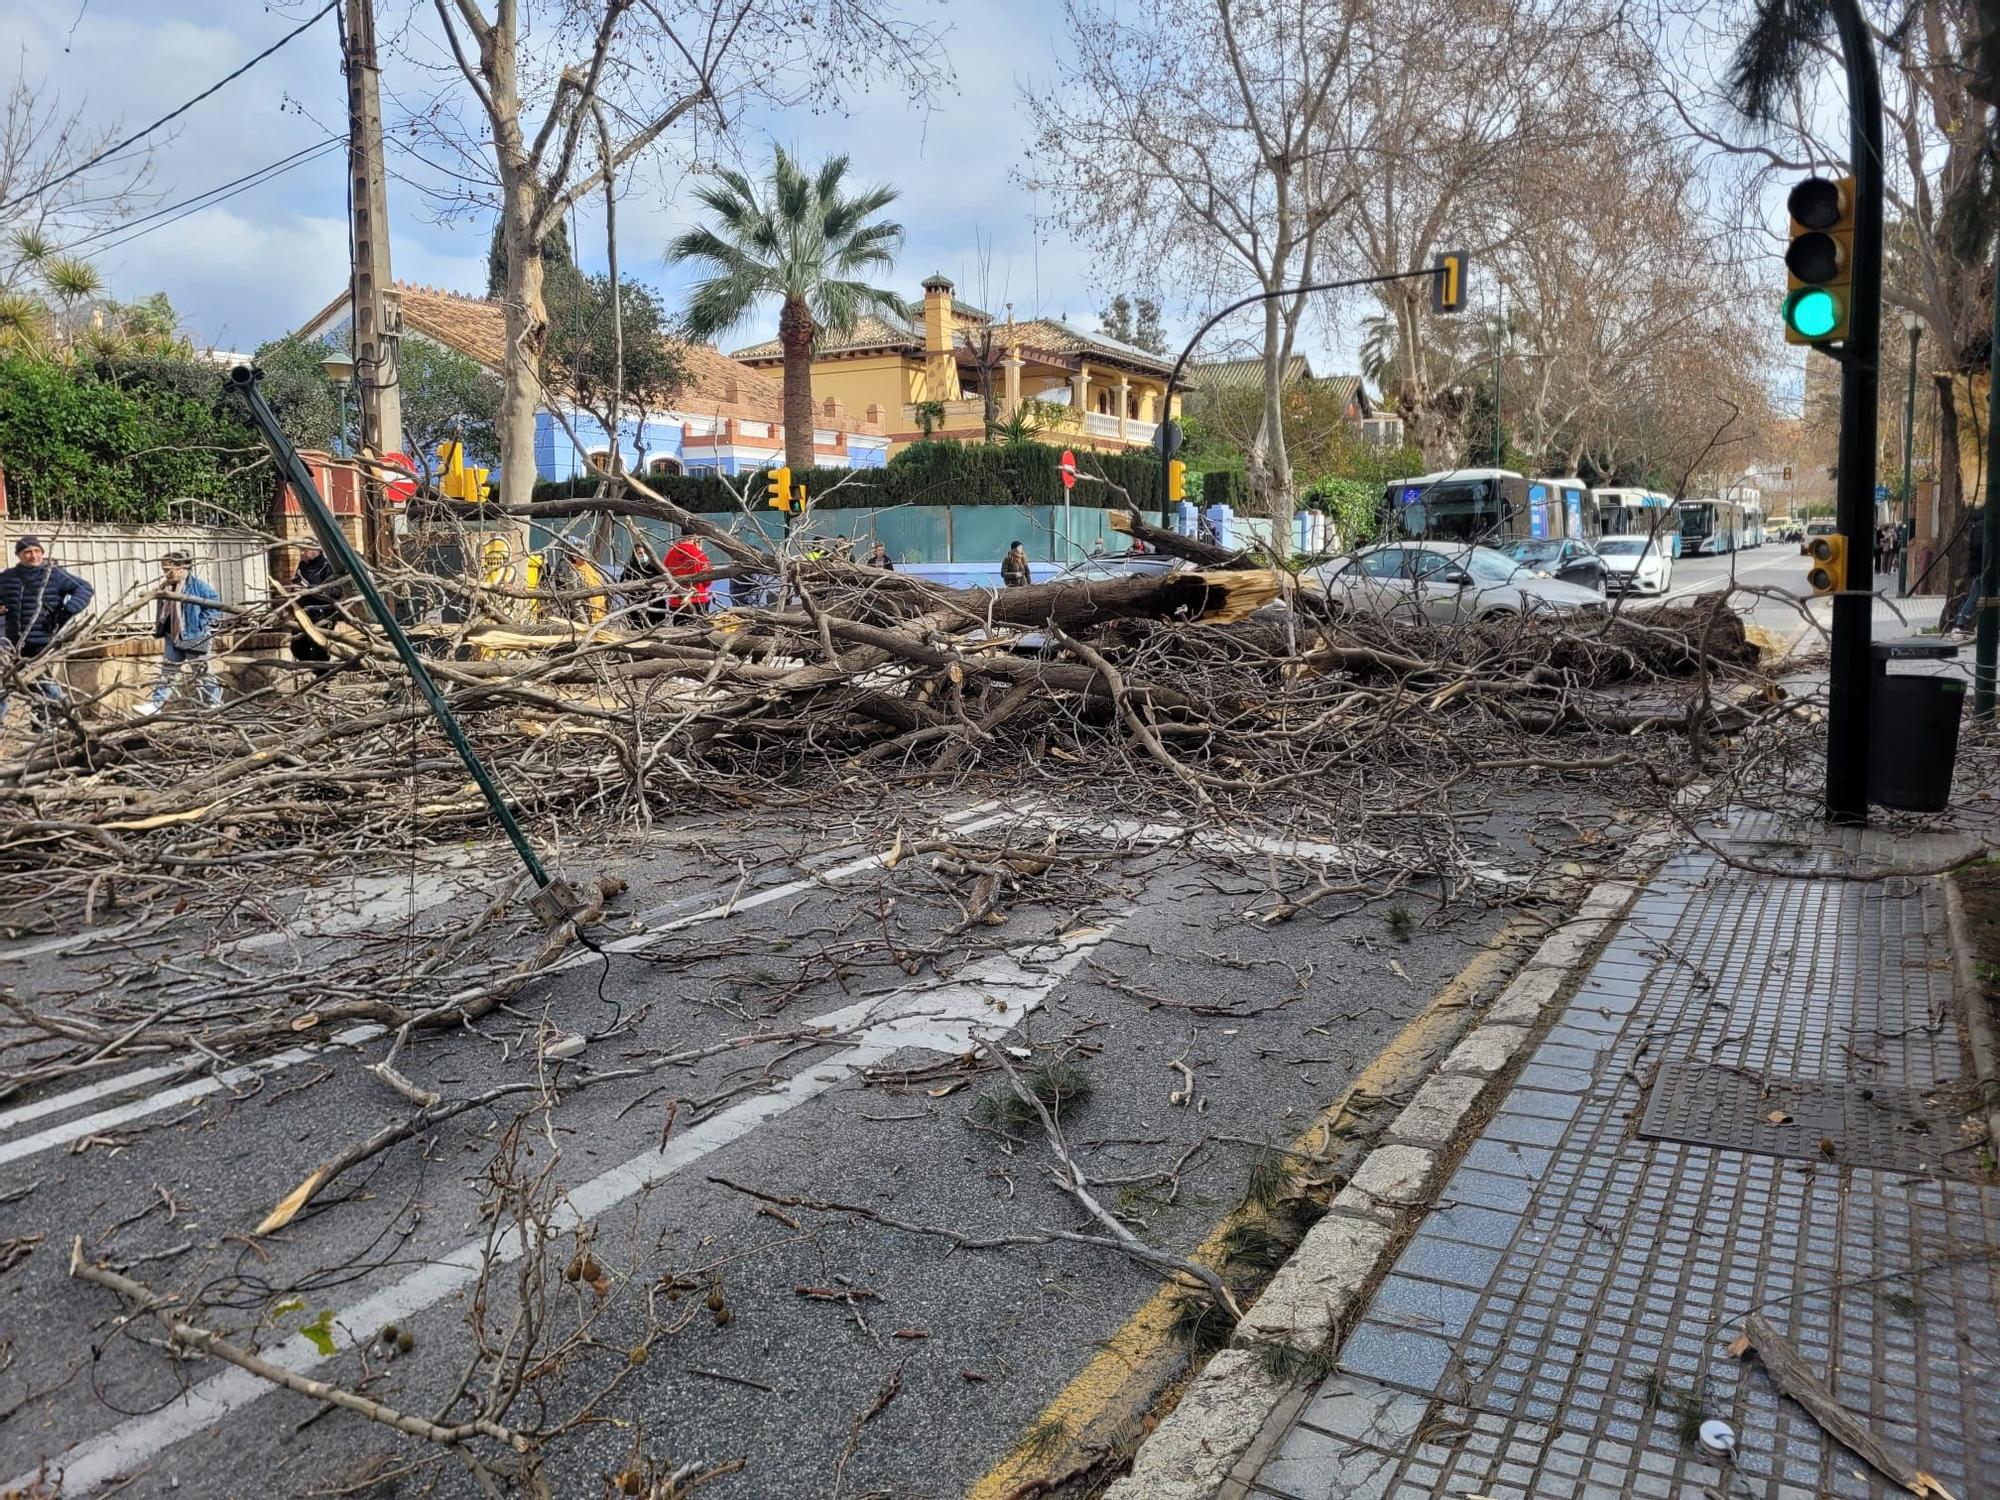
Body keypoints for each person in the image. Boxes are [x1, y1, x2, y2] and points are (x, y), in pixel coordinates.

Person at [0, 535, 93, 726]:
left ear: (42, 553)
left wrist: (69, 609)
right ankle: (43, 722)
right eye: (27, 552)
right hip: (12, 641)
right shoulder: (7, 577)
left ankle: (63, 714)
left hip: (43, 640)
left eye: (37, 551)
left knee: (42, 682)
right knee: (15, 682)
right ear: (19, 555)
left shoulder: (54, 574)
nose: (33, 556)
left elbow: (84, 589)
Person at [135, 551, 223, 716]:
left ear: (182, 568)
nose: (166, 573)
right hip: (172, 636)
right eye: (163, 570)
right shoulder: (166, 586)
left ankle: (215, 704)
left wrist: (202, 624)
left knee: (202, 672)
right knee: (168, 672)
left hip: (194, 635)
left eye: (169, 569)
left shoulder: (198, 586)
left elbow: (215, 605)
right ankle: (156, 705)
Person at [289, 541, 341, 662]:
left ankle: (322, 671)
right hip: (304, 612)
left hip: (323, 613)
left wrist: (312, 589)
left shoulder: (327, 566)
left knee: (319, 647)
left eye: (305, 550)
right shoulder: (303, 565)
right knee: (297, 646)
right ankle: (311, 667)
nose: (302, 553)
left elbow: (336, 592)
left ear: (315, 551)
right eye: (300, 550)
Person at [663, 533, 713, 615]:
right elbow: (708, 580)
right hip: (698, 599)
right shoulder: (699, 554)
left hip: (676, 601)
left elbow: (665, 576)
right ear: (695, 538)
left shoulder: (670, 554)